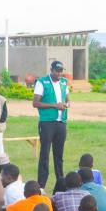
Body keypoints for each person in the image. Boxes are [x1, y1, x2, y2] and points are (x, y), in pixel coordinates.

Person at [34, 60, 70, 190]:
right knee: (45, 154)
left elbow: (67, 98)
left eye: (61, 71)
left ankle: (61, 182)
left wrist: (68, 104)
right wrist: (55, 105)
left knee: (59, 154)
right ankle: (41, 185)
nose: (59, 73)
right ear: (51, 70)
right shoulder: (42, 82)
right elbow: (35, 103)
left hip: (61, 122)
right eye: (57, 71)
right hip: (47, 122)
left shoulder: (64, 82)